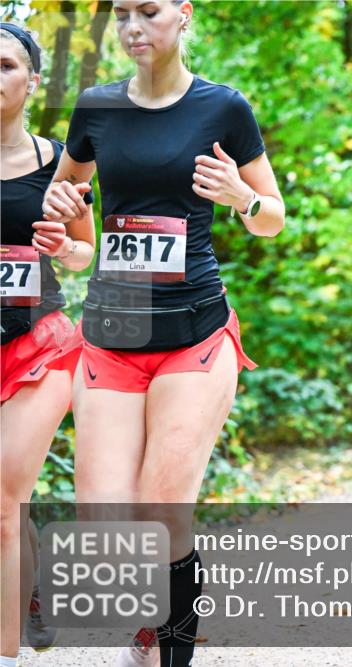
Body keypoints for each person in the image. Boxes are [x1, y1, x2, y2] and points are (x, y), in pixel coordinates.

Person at [42, 2, 285, 665]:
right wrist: (63, 211)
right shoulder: (96, 109)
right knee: (105, 519)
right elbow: (68, 217)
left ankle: (171, 653)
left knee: (164, 506)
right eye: (121, 15)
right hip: (113, 332)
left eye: (147, 12)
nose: (131, 28)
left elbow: (272, 217)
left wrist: (243, 198)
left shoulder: (223, 108)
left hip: (194, 334)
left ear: (183, 16)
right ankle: (149, 625)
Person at [0, 23, 96, 667]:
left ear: (33, 81)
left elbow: (92, 250)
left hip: (39, 344)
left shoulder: (58, 160)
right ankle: (29, 589)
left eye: (5, 65)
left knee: (2, 503)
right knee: (9, 506)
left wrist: (68, 247)